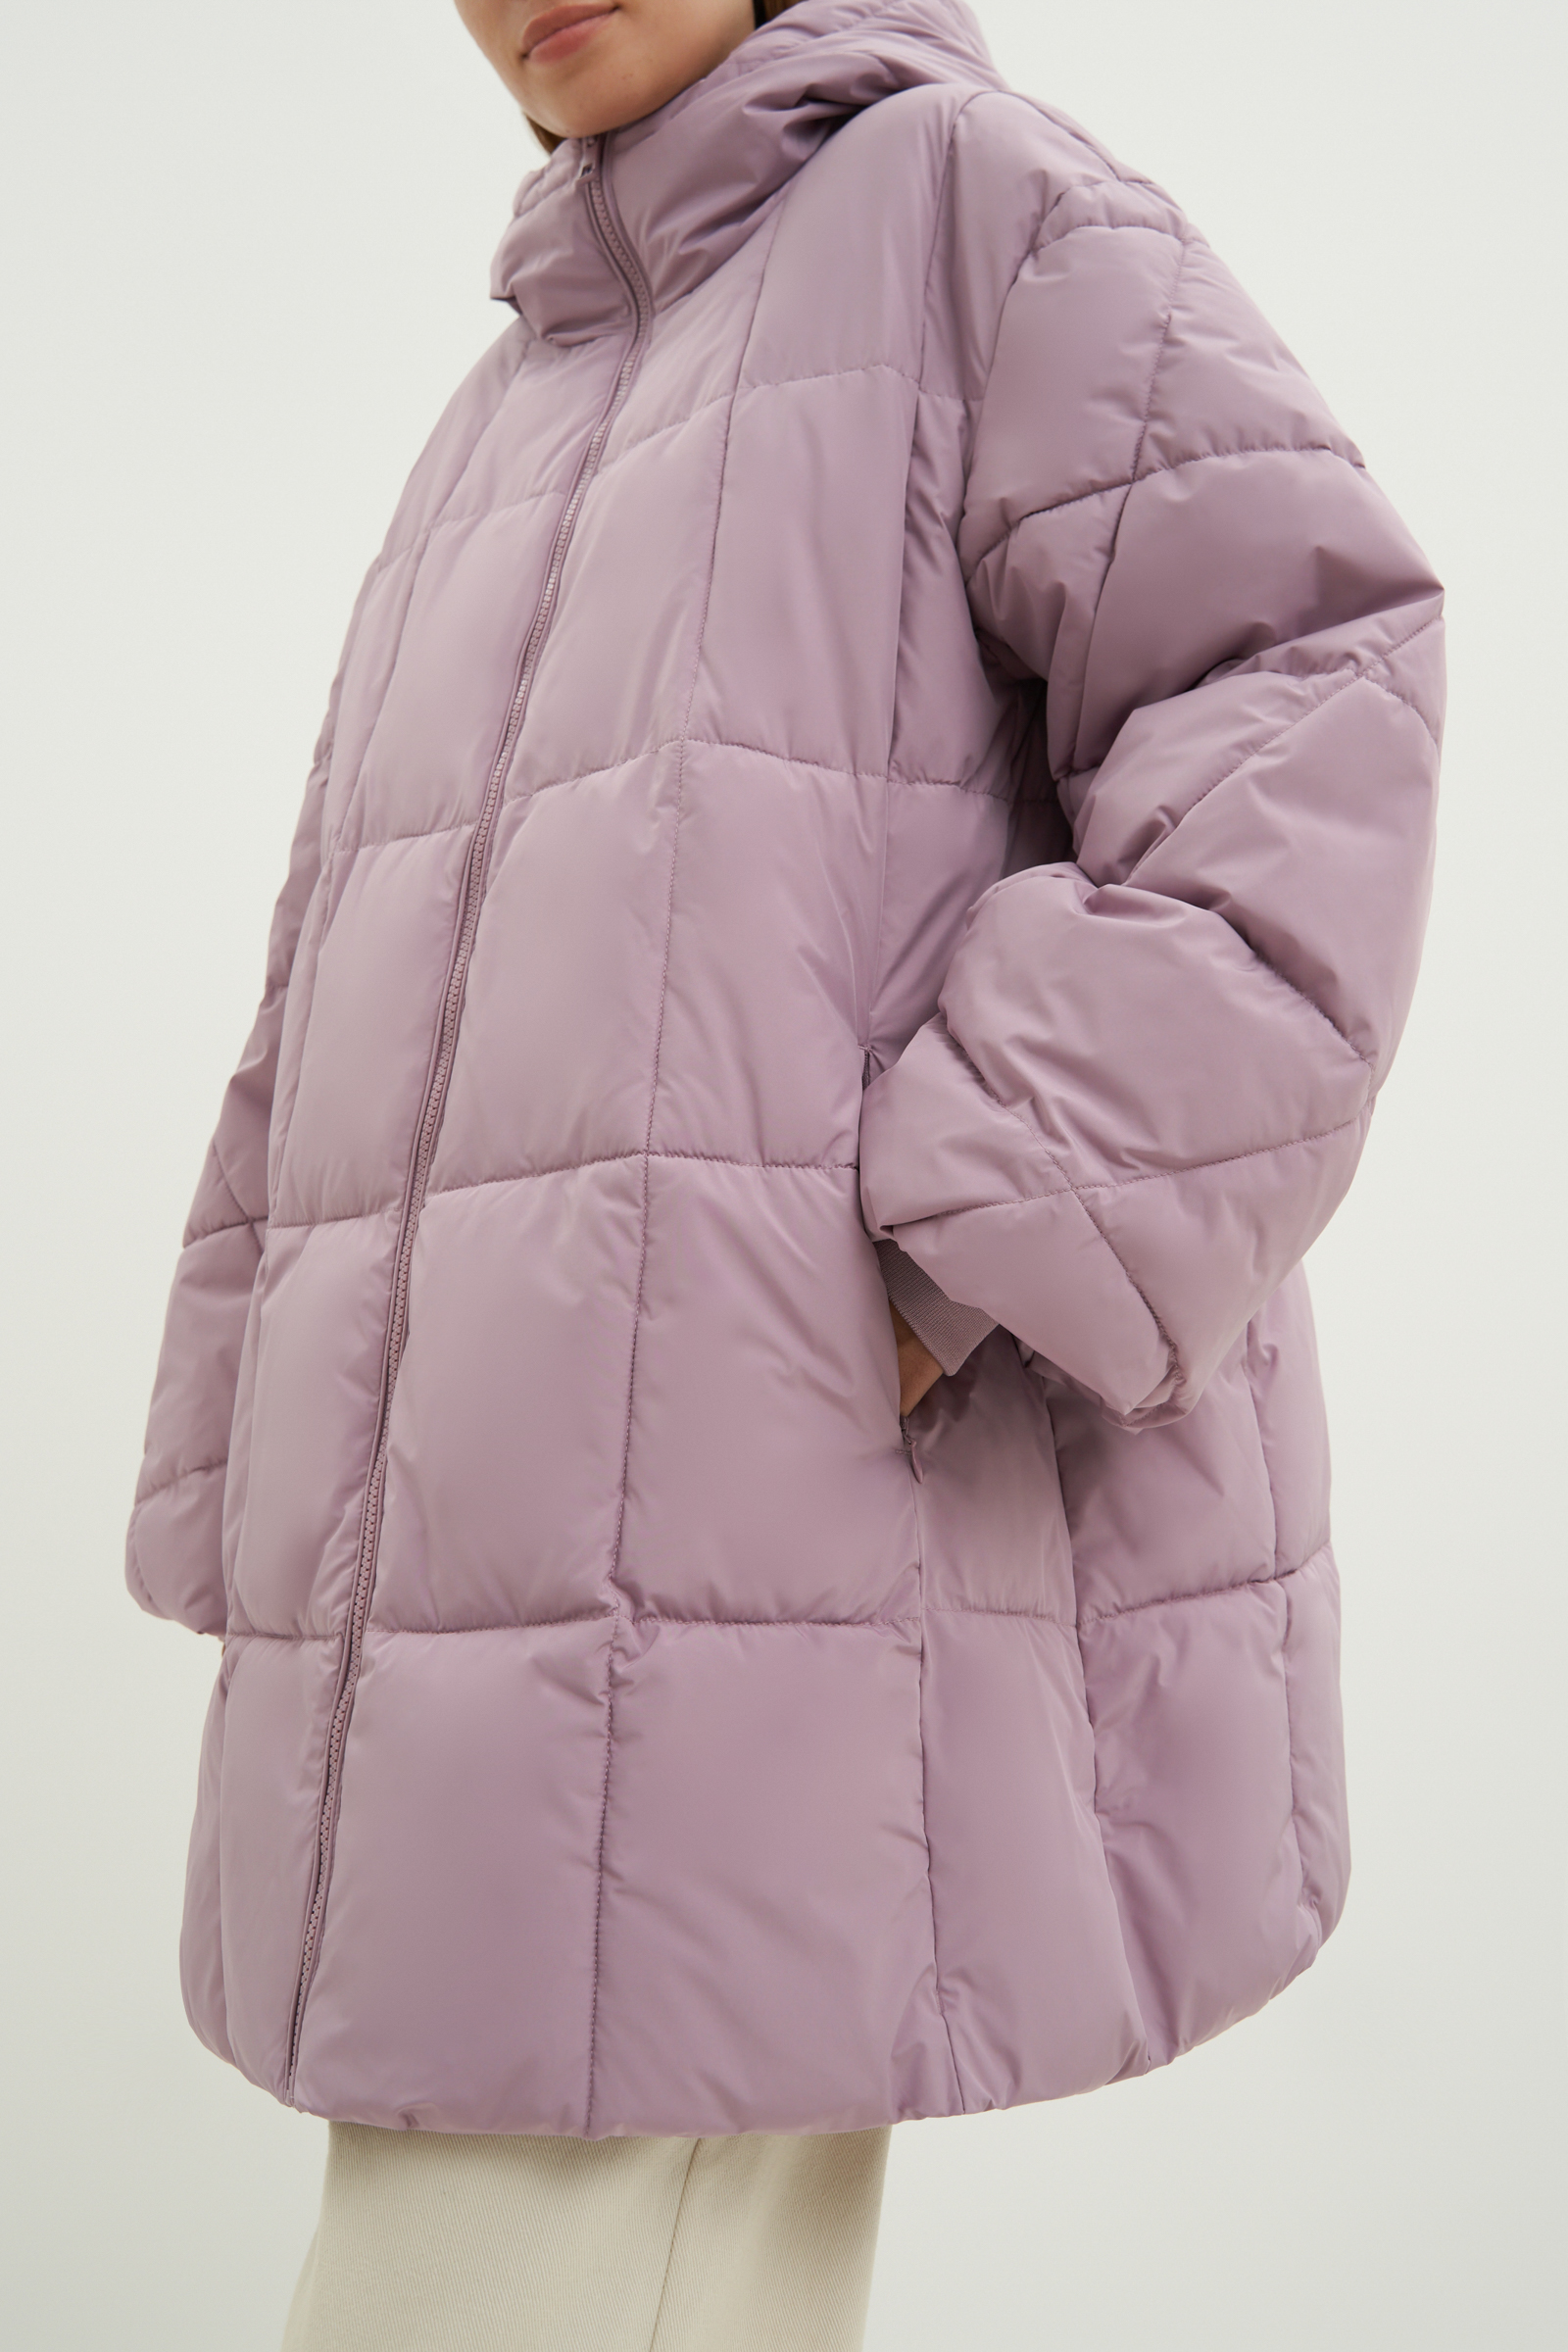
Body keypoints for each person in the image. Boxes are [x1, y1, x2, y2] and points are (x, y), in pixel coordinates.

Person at [123, 1, 1444, 2344]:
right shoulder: (507, 405)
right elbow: (345, 990)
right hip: (455, 1595)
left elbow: (1306, 690)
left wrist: (960, 1248)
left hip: (755, 1554)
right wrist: (247, 1467)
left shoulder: (964, 209)